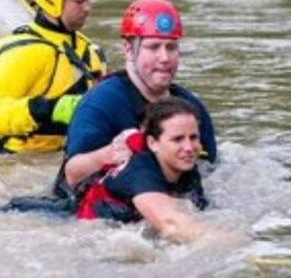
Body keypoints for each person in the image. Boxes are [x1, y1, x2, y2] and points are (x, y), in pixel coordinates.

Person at [59, 0, 217, 194]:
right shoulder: (101, 103)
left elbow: (210, 171)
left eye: (171, 47)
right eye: (153, 47)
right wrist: (108, 155)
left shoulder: (191, 108)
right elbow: (72, 174)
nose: (164, 58)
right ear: (129, 51)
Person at [0, 0, 106, 153]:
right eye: (79, 1)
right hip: (14, 161)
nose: (88, 7)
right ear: (52, 0)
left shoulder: (91, 52)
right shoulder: (22, 52)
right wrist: (46, 109)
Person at [74, 97, 211, 241]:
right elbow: (173, 226)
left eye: (194, 137)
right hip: (87, 236)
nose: (189, 147)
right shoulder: (140, 174)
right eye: (177, 139)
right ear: (152, 143)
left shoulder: (186, 168)